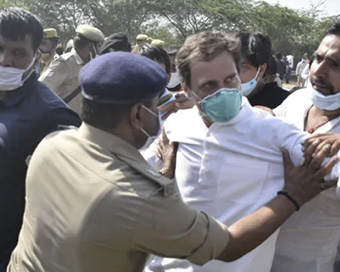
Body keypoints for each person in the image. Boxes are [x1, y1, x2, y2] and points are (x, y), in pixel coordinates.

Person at [6, 52, 335, 272]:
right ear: (138, 114)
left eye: (231, 80)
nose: (165, 112)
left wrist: (158, 176)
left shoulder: (51, 144)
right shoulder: (139, 197)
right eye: (156, 104)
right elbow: (229, 246)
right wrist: (292, 196)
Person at [144, 31, 339, 272]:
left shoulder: (272, 133)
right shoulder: (177, 125)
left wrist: (295, 194)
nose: (224, 92)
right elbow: (133, 175)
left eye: (230, 80)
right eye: (209, 85)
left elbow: (330, 165)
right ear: (186, 88)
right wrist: (160, 175)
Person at [0, 7, 81, 271]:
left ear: (36, 57)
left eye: (18, 53)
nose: (4, 61)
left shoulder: (52, 115)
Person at [271, 20, 340, 272]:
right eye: (318, 58)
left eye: (336, 65)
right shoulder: (299, 99)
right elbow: (271, 122)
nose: (318, 72)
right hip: (253, 255)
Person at [39, 24, 104, 114]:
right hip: (65, 122)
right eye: (98, 46)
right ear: (90, 46)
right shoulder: (65, 63)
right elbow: (41, 88)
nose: (99, 49)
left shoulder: (92, 64)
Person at [238, 32, 290, 109]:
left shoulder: (285, 104)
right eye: (229, 67)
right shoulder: (224, 103)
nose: (233, 74)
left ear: (261, 69)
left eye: (243, 67)